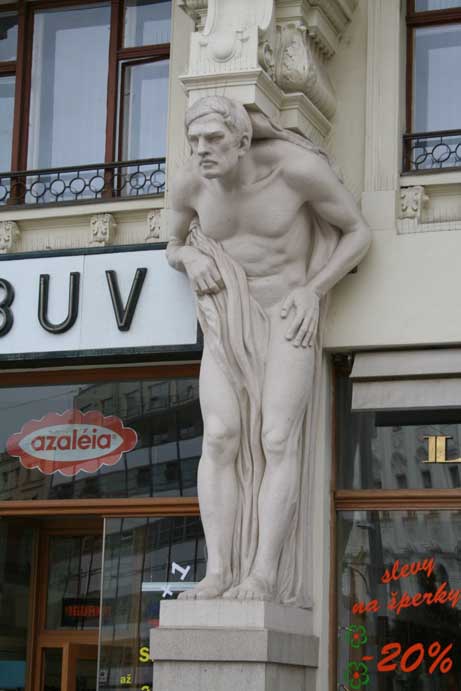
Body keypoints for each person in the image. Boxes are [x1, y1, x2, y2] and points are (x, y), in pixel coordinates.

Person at [166, 96, 370, 603]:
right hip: (225, 320)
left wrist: (313, 290)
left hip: (286, 312)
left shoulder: (295, 169)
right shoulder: (191, 182)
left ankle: (263, 574)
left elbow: (357, 232)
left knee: (277, 438)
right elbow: (171, 244)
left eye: (213, 139)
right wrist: (189, 256)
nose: (202, 149)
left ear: (242, 140)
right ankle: (218, 572)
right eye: (194, 140)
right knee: (220, 437)